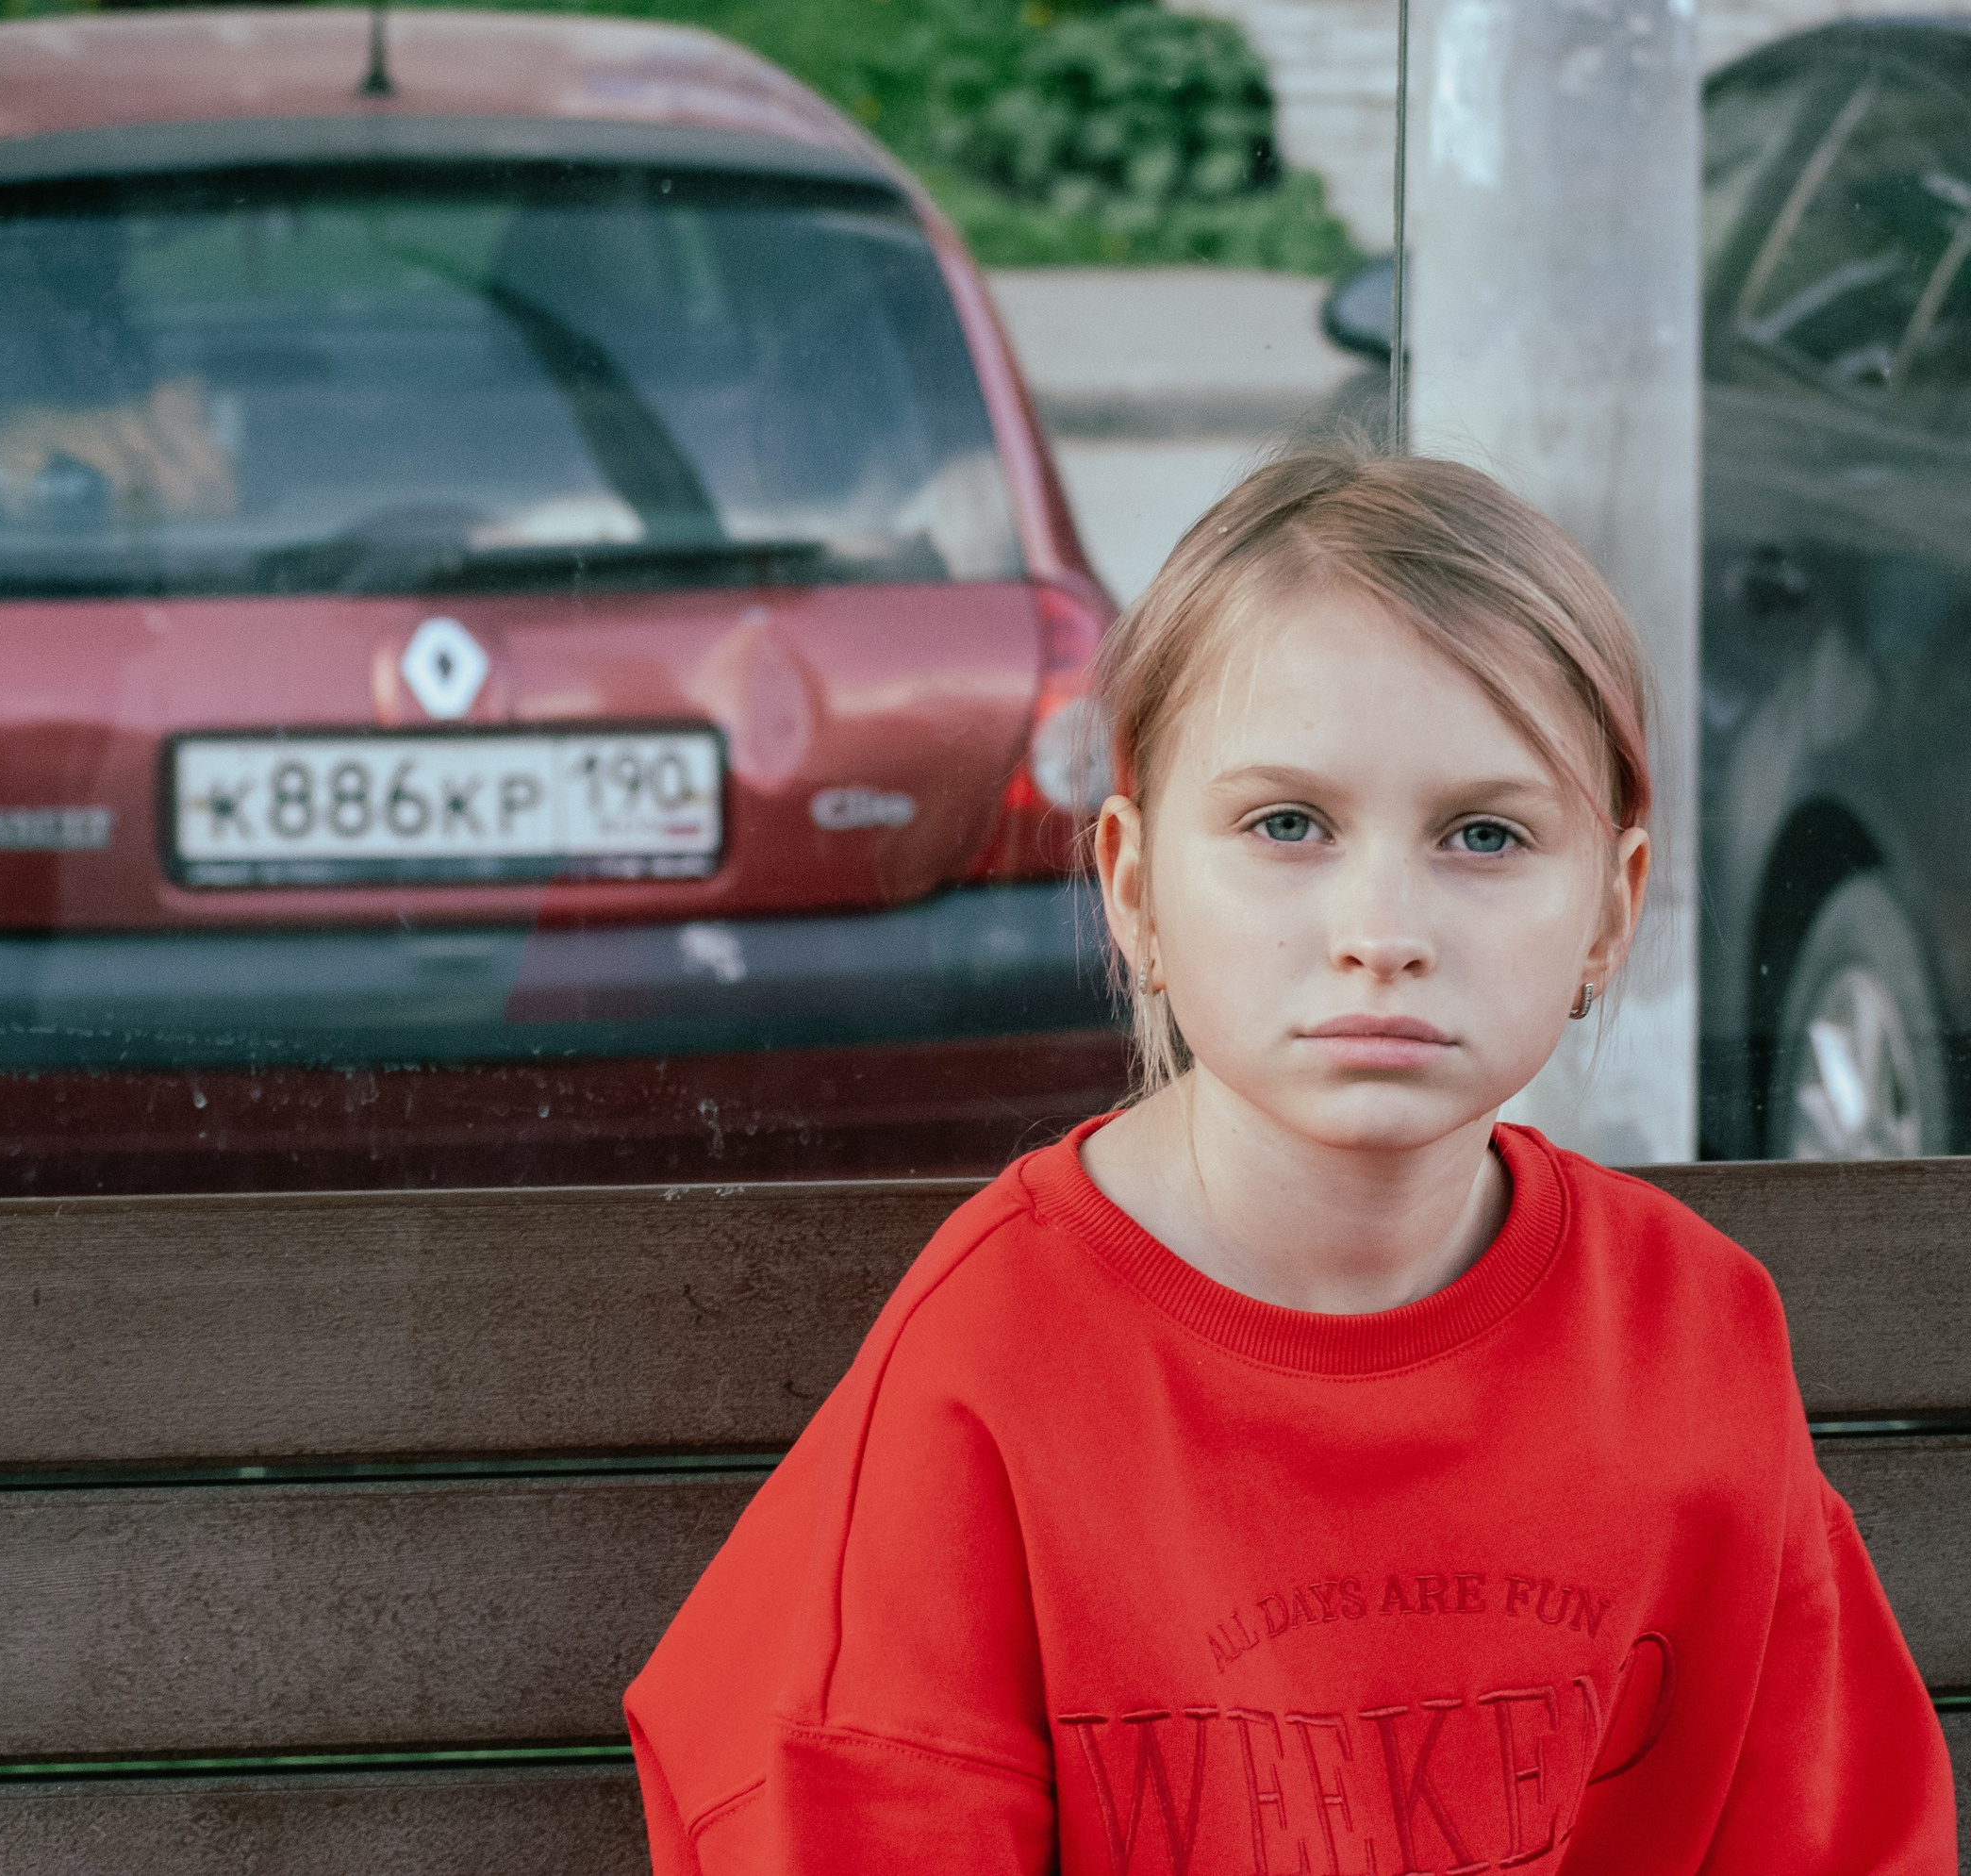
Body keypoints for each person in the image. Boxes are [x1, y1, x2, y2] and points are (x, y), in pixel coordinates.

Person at [623, 444, 1956, 1873]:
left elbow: (1840, 1834)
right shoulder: (986, 1371)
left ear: (1611, 912)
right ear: (1134, 886)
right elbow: (837, 1808)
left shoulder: (1694, 1332)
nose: (1381, 923)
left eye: (1486, 833)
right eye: (1287, 824)